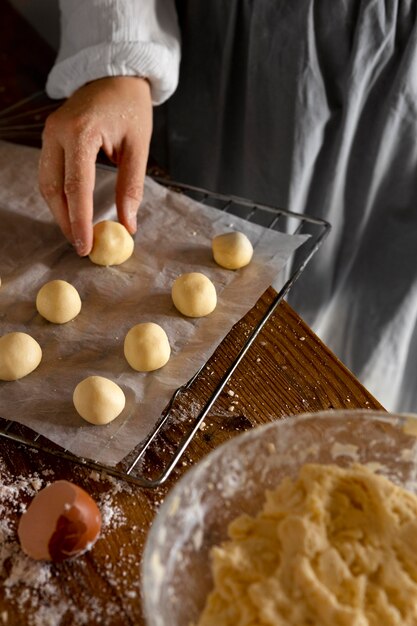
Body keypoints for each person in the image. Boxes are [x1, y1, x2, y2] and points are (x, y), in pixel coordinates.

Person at [40, 0, 417, 414]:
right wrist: (117, 54)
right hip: (242, 48)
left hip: (402, 91)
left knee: (365, 331)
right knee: (210, 233)